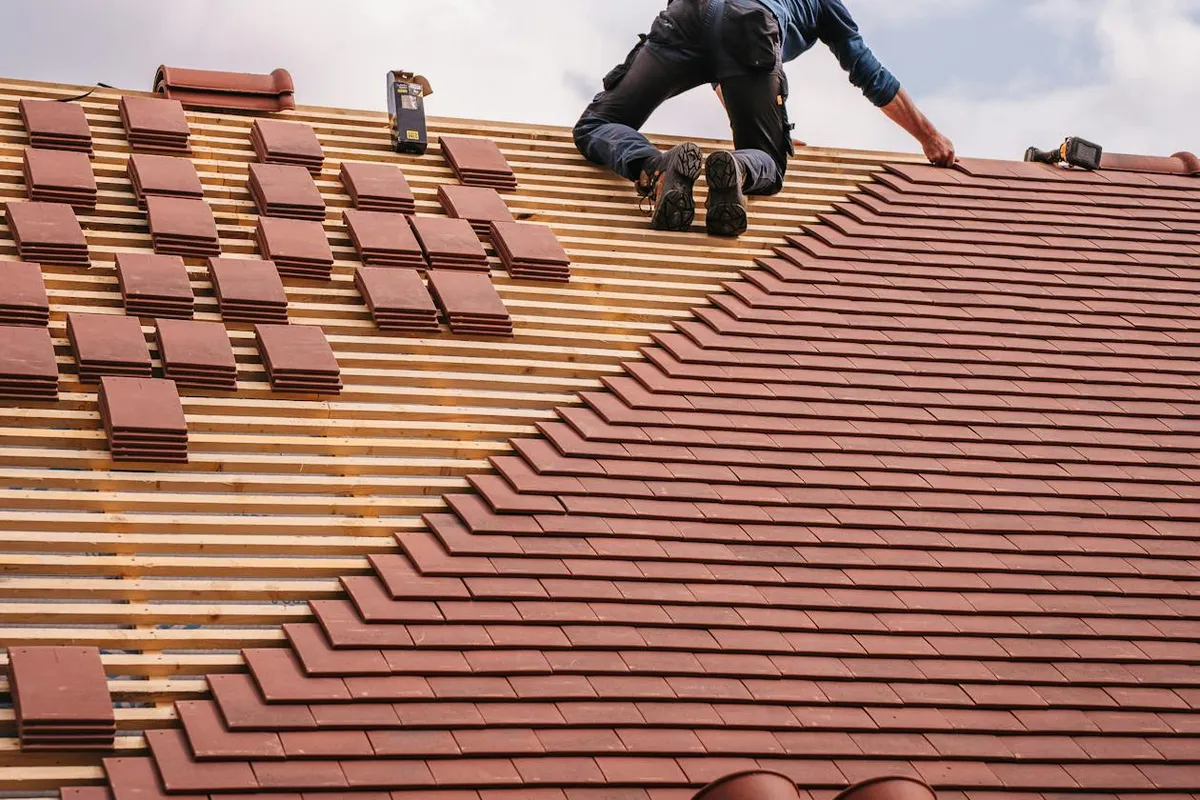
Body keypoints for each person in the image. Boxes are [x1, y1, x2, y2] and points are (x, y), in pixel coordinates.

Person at [573, 0, 955, 237]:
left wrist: (765, 119)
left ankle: (654, 166)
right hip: (751, 26)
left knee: (597, 124)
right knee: (767, 161)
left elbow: (717, 54)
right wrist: (929, 137)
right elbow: (868, 72)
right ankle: (741, 168)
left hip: (686, 14)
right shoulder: (827, 5)